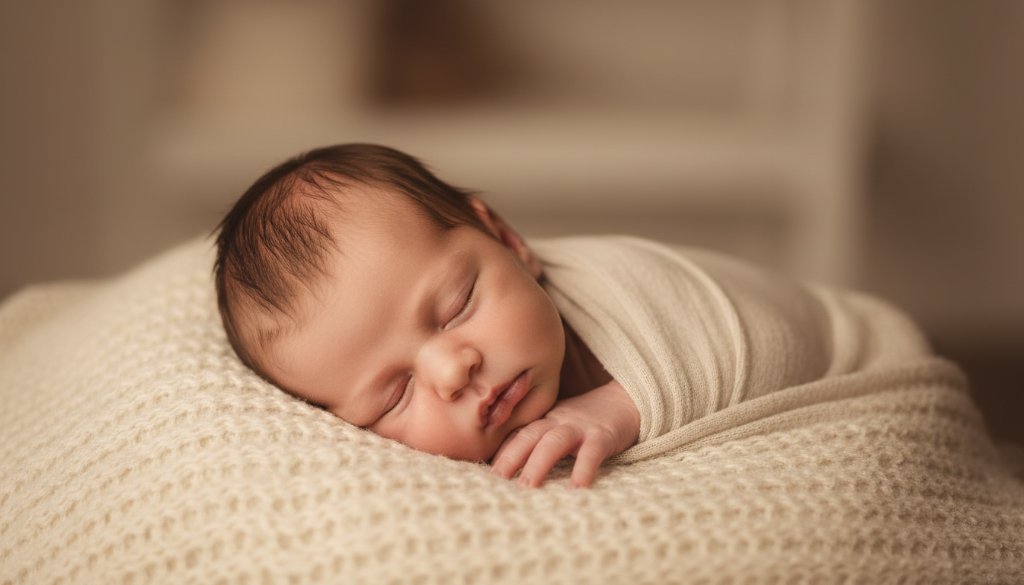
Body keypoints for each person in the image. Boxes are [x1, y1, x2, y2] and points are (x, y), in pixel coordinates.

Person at [214, 143, 641, 489]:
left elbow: (708, 339)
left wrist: (616, 406)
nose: (453, 371)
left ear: (506, 239)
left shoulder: (621, 285)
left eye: (457, 308)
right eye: (396, 394)